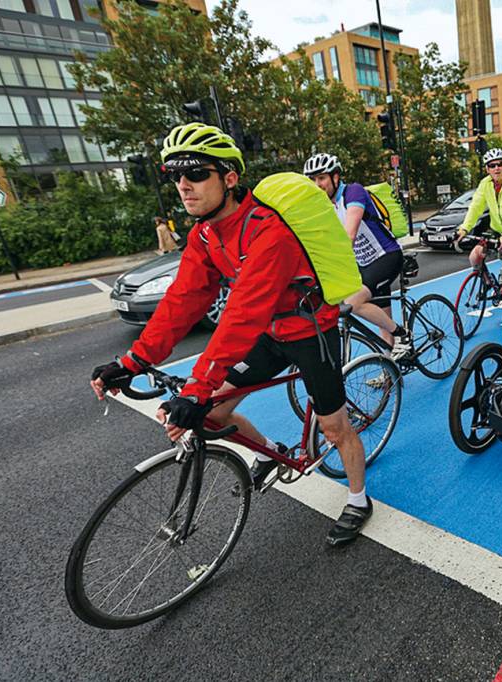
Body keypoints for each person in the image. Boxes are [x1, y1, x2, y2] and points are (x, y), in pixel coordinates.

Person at [90, 123, 373, 547]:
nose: (184, 186)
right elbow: (182, 301)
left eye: (196, 174)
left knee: (334, 427)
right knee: (213, 414)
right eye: (175, 175)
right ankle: (267, 452)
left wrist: (195, 388)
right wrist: (131, 362)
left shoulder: (267, 230)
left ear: (230, 178)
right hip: (270, 333)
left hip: (310, 329)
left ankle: (358, 499)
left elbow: (242, 314)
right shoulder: (204, 234)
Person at [303, 152, 411, 359]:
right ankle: (389, 370)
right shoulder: (325, 206)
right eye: (313, 179)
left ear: (335, 177)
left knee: (353, 303)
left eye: (322, 178)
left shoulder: (353, 192)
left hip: (386, 257)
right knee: (382, 322)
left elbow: (349, 234)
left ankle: (402, 335)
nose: (317, 184)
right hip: (364, 264)